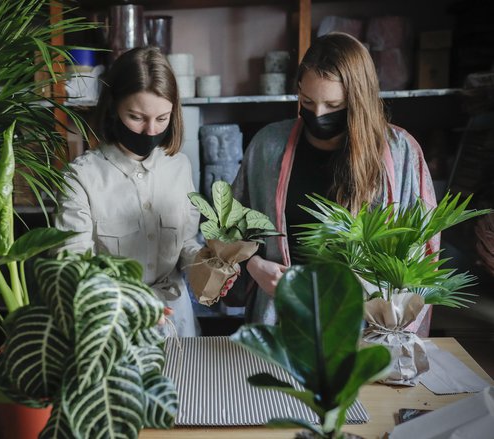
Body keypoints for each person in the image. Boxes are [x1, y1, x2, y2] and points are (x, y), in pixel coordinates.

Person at [233, 32, 438, 325]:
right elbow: (228, 229)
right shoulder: (268, 146)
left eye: (333, 106)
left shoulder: (400, 152)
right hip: (283, 320)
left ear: (358, 100)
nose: (317, 114)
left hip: (368, 327)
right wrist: (253, 265)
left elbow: (422, 254)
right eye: (306, 101)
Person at [54, 46, 202, 337]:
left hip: (176, 321)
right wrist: (132, 303)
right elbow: (72, 267)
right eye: (136, 117)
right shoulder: (81, 177)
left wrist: (210, 264)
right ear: (113, 107)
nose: (150, 131)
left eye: (162, 119)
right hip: (112, 323)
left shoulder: (179, 167)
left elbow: (186, 243)